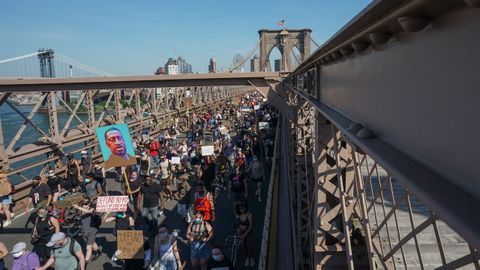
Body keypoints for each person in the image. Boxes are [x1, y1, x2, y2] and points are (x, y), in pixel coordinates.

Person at [235, 200, 255, 267]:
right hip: (241, 233)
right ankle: (247, 257)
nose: (242, 210)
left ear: (246, 207)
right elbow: (237, 224)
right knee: (244, 247)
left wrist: (245, 235)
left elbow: (251, 226)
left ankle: (251, 258)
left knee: (250, 246)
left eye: (243, 208)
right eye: (240, 208)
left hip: (248, 233)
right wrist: (238, 230)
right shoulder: (238, 215)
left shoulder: (249, 215)